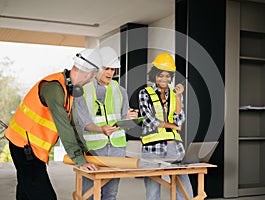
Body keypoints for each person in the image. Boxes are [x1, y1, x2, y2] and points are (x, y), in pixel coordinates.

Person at [5, 48, 103, 200]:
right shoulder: (54, 88)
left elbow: (73, 125)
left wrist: (85, 152)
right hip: (24, 146)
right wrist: (79, 159)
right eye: (93, 76)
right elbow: (63, 126)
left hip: (31, 147)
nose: (91, 81)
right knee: (44, 195)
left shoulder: (67, 90)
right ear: (89, 73)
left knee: (26, 190)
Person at [73, 46, 138, 200]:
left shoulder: (121, 91)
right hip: (94, 149)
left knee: (111, 194)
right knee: (88, 195)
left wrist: (129, 118)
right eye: (106, 68)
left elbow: (123, 120)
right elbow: (83, 122)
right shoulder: (83, 90)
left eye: (113, 69)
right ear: (96, 68)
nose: (110, 73)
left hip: (117, 148)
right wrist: (100, 129)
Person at [138, 52, 193, 200]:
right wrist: (172, 126)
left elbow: (180, 119)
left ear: (171, 77)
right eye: (160, 75)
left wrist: (179, 97)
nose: (164, 79)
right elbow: (148, 120)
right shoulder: (145, 93)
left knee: (184, 189)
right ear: (154, 75)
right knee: (152, 190)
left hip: (173, 147)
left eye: (167, 76)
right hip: (152, 148)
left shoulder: (174, 94)